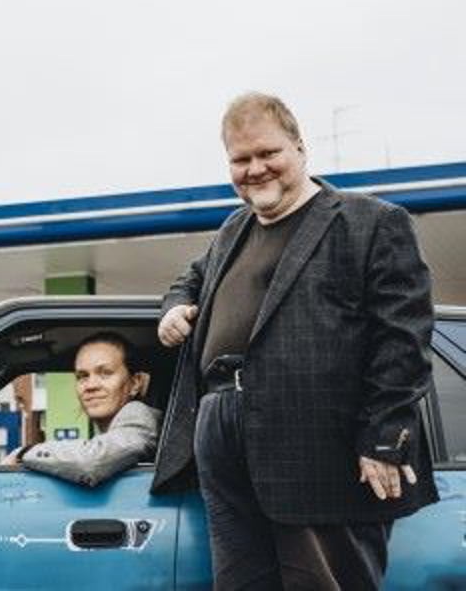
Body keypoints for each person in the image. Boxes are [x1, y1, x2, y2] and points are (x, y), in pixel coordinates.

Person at [152, 92, 438, 590]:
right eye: (240, 159)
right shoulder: (233, 229)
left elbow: (404, 336)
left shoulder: (371, 221)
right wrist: (175, 308)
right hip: (224, 443)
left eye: (268, 153)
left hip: (321, 448)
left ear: (300, 148)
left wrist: (383, 438)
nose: (255, 169)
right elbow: (190, 280)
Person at [4, 331, 162, 487]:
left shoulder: (139, 413)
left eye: (105, 373)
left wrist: (23, 453)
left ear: (135, 383)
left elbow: (92, 461)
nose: (90, 386)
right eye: (82, 376)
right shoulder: (110, 432)